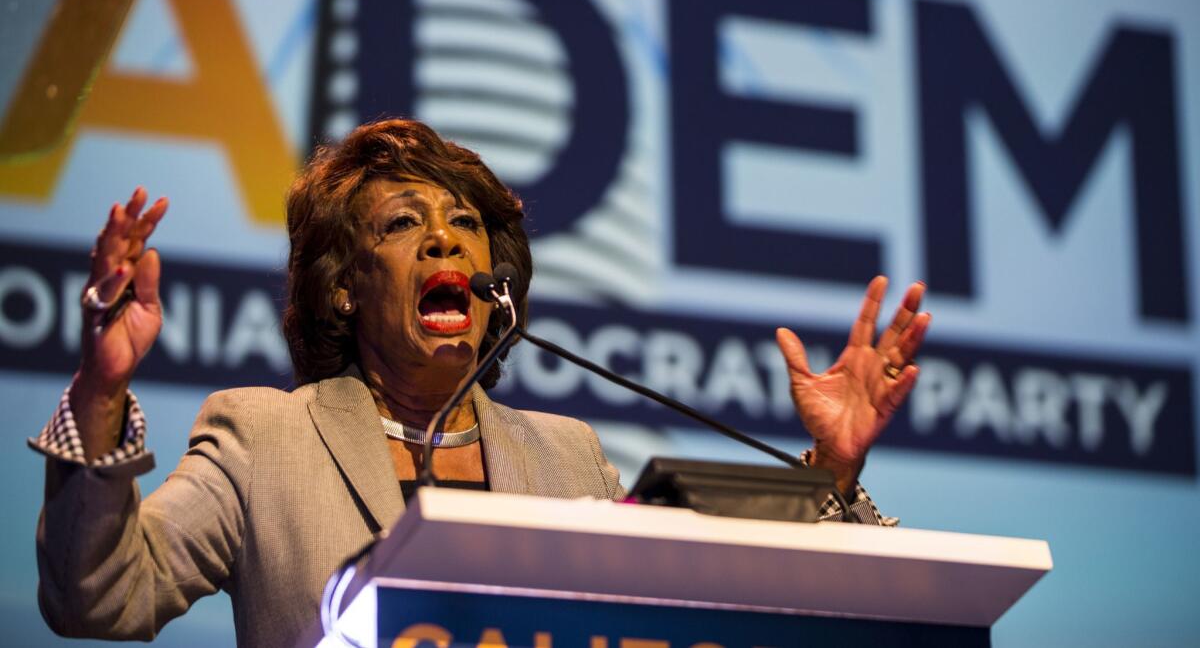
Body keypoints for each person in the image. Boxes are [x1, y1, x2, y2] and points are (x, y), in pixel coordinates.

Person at [30, 119, 930, 648]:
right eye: (401, 223)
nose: (446, 241)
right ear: (344, 285)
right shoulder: (265, 437)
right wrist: (102, 388)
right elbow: (97, 593)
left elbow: (712, 602)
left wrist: (830, 471)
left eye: (465, 224)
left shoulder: (568, 456)